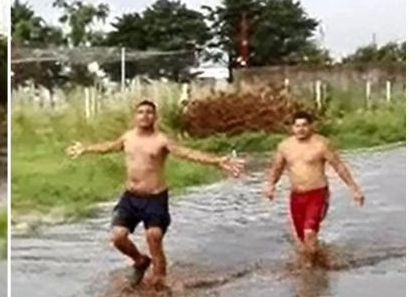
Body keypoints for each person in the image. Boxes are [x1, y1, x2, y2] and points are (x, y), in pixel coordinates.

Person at [67, 100, 245, 286]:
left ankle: (160, 283)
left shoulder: (162, 140)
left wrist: (216, 161)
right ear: (135, 116)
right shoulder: (128, 137)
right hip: (130, 197)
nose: (145, 115)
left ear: (155, 117)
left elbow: (187, 153)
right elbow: (109, 146)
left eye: (149, 112)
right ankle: (140, 261)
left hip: (154, 198)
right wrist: (85, 148)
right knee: (118, 237)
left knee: (154, 237)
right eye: (141, 112)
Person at [263, 111, 364, 265]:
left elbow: (339, 166)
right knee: (302, 241)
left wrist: (353, 188)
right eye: (297, 126)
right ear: (292, 128)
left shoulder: (321, 144)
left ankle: (310, 273)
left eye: (304, 125)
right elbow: (276, 168)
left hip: (317, 194)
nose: (301, 129)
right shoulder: (285, 146)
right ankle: (317, 260)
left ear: (311, 127)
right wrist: (270, 185)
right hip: (296, 196)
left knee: (309, 233)